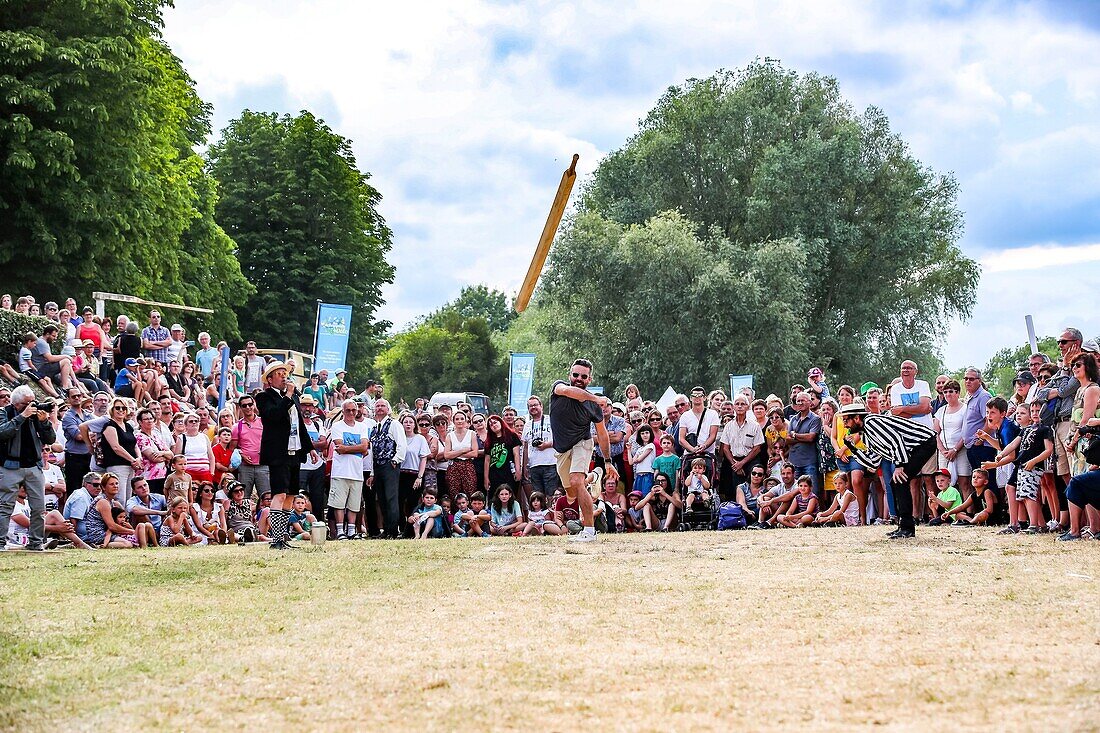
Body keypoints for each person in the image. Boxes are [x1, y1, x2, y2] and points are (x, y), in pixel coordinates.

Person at [838, 400, 937, 539]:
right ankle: (903, 526)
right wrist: (853, 448)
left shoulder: (872, 422)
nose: (845, 425)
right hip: (916, 447)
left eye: (846, 420)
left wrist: (899, 465)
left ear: (856, 418)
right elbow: (873, 462)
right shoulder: (866, 433)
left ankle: (907, 528)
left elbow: (896, 440)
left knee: (900, 481)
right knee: (895, 483)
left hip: (924, 442)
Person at [549, 359, 612, 542]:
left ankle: (590, 532)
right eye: (575, 375)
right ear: (570, 375)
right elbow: (570, 391)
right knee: (572, 493)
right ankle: (593, 477)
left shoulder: (594, 408)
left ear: (589, 379)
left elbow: (602, 434)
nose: (578, 378)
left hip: (582, 443)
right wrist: (596, 398)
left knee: (577, 481)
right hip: (561, 449)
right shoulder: (559, 388)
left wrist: (607, 461)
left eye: (583, 376)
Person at [255, 362, 314, 550]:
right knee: (279, 493)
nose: (283, 376)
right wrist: (288, 395)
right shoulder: (264, 397)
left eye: (284, 373)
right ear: (270, 379)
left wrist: (310, 447)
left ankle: (283, 537)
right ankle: (276, 539)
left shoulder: (293, 397)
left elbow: (300, 424)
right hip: (278, 452)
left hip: (294, 451)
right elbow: (274, 416)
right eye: (279, 374)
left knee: (290, 495)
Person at [0, 386, 57, 551]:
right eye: (27, 403)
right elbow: (2, 433)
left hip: (34, 466)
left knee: (39, 507)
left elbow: (50, 439)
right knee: (5, 506)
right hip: (10, 466)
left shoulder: (35, 415)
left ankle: (36, 542)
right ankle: (0, 543)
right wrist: (21, 417)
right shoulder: (4, 412)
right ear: (16, 403)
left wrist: (44, 422)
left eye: (33, 402)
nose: (32, 406)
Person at [328, 400, 371, 540]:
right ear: (343, 411)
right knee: (339, 502)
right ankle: (340, 529)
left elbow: (364, 447)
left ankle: (351, 530)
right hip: (341, 471)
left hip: (357, 472)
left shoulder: (362, 427)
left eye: (354, 410)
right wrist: (357, 448)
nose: (351, 413)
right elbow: (339, 447)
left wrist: (347, 448)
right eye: (348, 410)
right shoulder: (337, 426)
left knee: (354, 502)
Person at [368, 398, 406, 540]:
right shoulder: (375, 427)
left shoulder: (394, 424)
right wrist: (372, 472)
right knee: (382, 499)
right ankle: (386, 528)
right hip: (377, 466)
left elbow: (402, 444)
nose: (380, 408)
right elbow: (372, 451)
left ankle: (393, 530)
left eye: (383, 405)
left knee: (391, 498)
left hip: (390, 465)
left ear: (388, 409)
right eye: (377, 406)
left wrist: (396, 460)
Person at [521, 396, 559, 497]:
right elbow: (525, 447)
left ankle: (551, 512)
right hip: (534, 465)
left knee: (551, 494)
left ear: (541, 406)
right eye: (530, 406)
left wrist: (547, 445)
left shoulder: (551, 420)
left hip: (550, 463)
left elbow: (560, 439)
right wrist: (524, 466)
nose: (533, 407)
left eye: (535, 405)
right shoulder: (527, 425)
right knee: (537, 496)